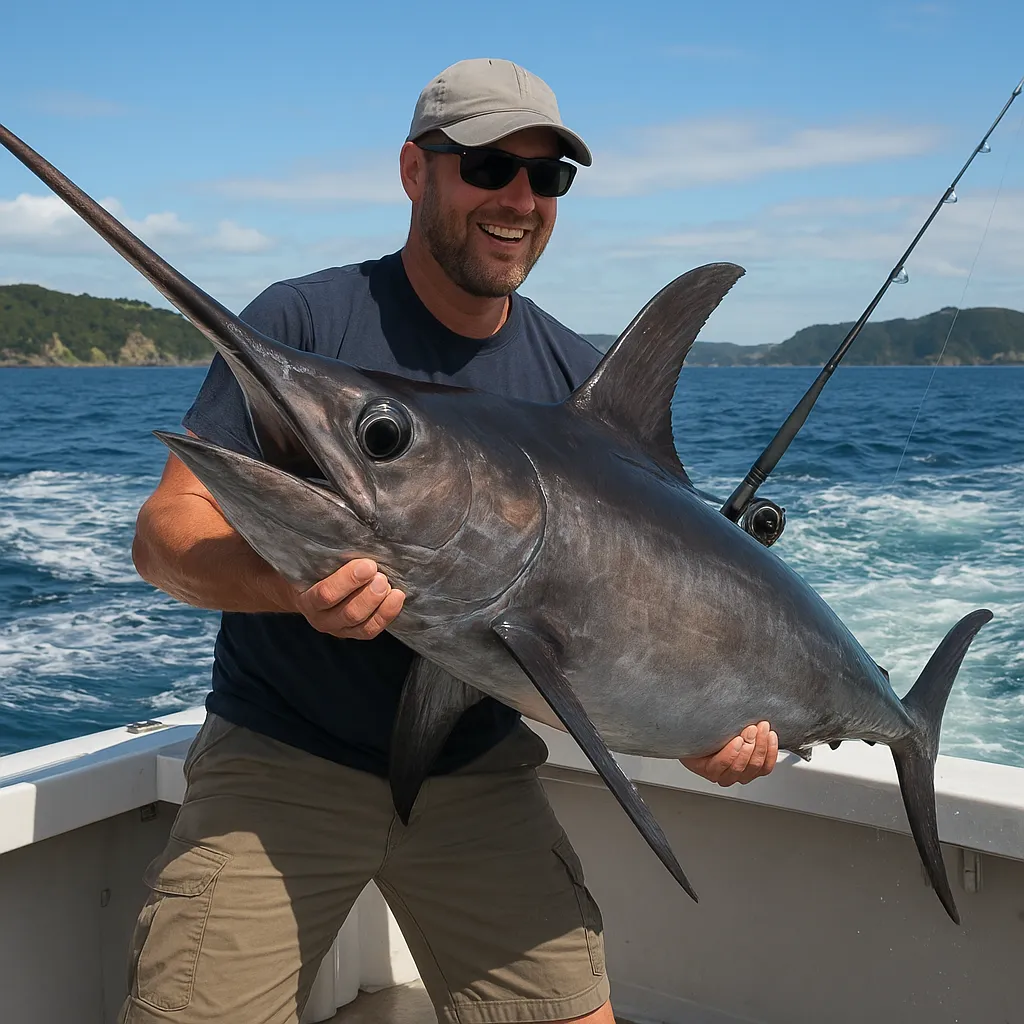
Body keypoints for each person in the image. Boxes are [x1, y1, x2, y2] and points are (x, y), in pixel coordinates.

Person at [122, 58, 779, 1024]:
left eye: (545, 177)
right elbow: (166, 533)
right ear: (413, 170)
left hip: (475, 772)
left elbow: (624, 615)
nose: (517, 199)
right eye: (485, 166)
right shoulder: (304, 321)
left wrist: (701, 739)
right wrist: (289, 587)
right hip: (280, 766)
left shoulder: (575, 377)